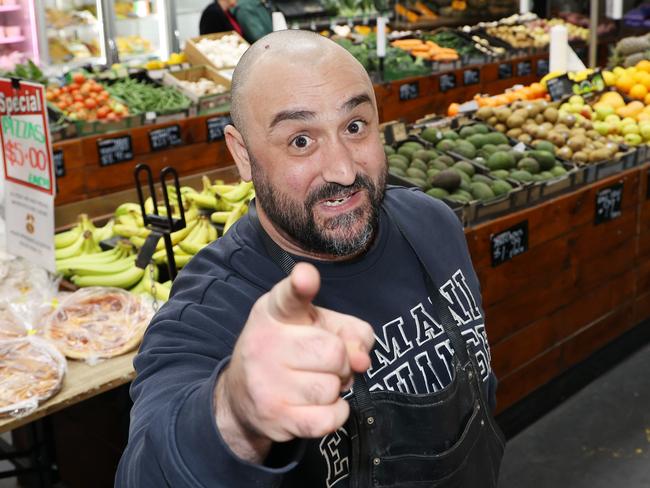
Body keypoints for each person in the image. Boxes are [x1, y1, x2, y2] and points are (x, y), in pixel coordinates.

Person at [116, 30, 504, 487]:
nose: (342, 170)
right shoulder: (213, 307)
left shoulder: (433, 223)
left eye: (355, 126)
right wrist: (235, 414)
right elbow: (144, 473)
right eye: (300, 140)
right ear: (242, 155)